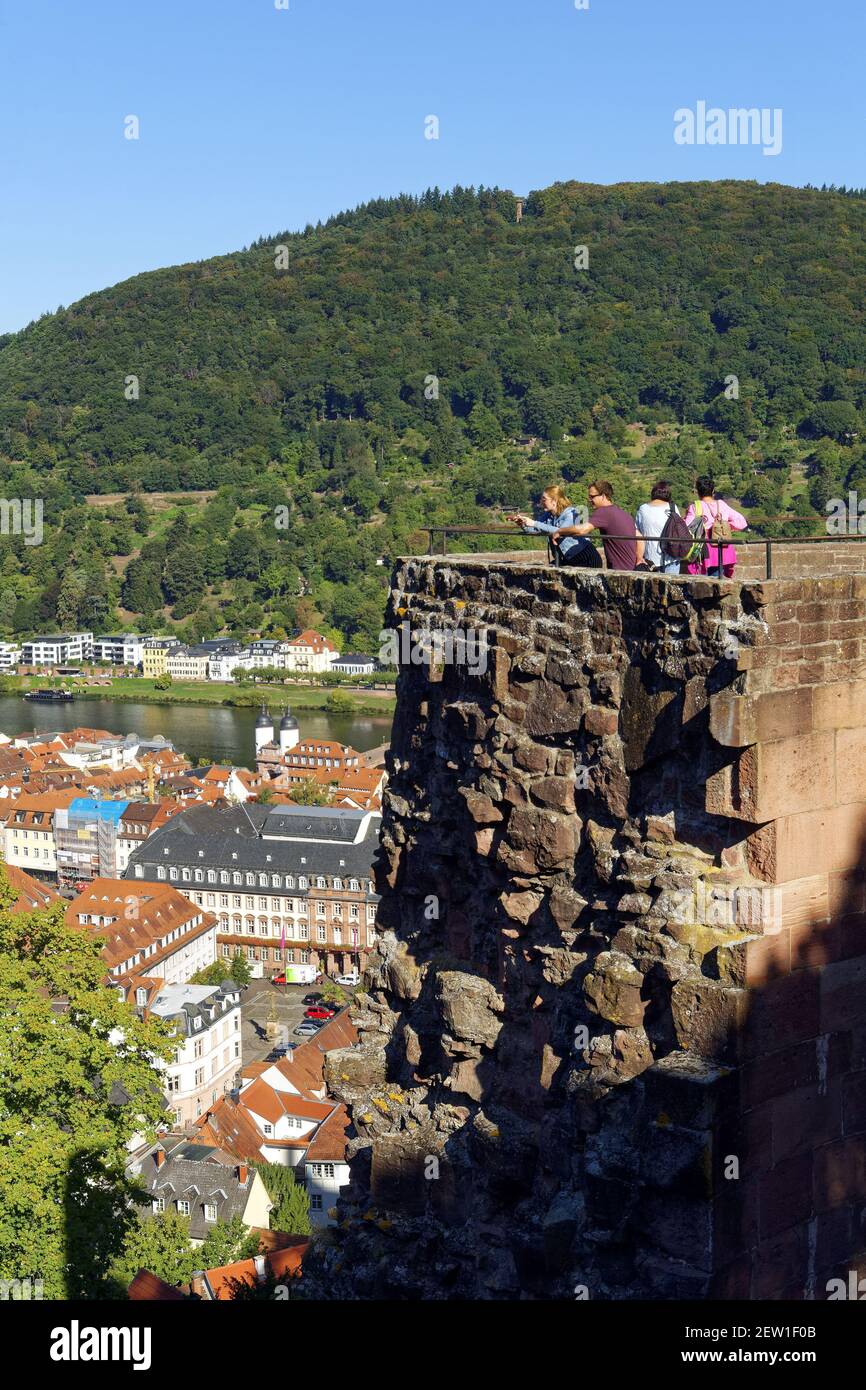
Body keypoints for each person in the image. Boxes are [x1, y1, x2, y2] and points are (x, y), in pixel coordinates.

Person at [552, 479, 641, 571]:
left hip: (620, 570)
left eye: (592, 497)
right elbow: (640, 538)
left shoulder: (604, 511)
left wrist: (560, 531)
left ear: (603, 496)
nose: (589, 499)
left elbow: (582, 530)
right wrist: (639, 560)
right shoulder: (623, 513)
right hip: (632, 569)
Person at [507, 485, 601, 567]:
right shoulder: (548, 515)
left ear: (554, 501)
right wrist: (522, 524)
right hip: (567, 558)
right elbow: (535, 529)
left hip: (585, 556)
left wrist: (534, 523)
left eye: (544, 499)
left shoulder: (570, 513)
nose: (541, 502)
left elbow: (560, 531)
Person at [684, 475, 748, 578]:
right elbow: (742, 522)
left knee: (702, 583)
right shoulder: (721, 504)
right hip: (721, 547)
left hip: (704, 549)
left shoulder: (695, 507)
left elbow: (686, 528)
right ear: (713, 491)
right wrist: (724, 526)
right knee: (716, 583)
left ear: (697, 491)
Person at [635, 480, 683, 575]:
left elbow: (637, 533)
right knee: (672, 588)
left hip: (649, 559)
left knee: (651, 589)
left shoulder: (643, 509)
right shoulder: (673, 507)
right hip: (671, 557)